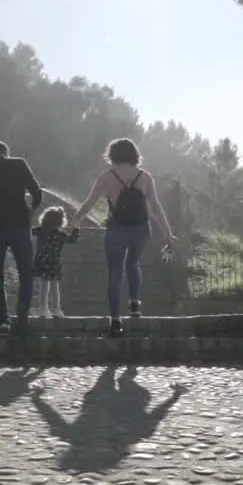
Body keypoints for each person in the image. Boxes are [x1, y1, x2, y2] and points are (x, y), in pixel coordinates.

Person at [69, 138, 175, 337]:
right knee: (133, 264)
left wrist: (76, 220)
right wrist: (168, 234)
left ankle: (115, 320)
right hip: (140, 229)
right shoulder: (145, 177)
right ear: (134, 154)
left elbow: (89, 203)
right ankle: (134, 304)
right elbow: (157, 208)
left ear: (112, 154)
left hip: (116, 229)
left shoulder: (106, 177)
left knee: (115, 272)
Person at [0, 141, 42, 336]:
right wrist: (31, 210)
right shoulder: (19, 164)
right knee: (26, 272)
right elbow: (37, 192)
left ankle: (3, 322)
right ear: (6, 153)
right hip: (19, 225)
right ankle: (23, 309)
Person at [31, 206, 80, 318]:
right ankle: (56, 309)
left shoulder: (39, 230)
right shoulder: (61, 234)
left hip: (41, 261)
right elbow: (73, 239)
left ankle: (43, 309)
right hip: (54, 262)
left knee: (44, 286)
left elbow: (28, 232)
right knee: (54, 286)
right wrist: (76, 227)